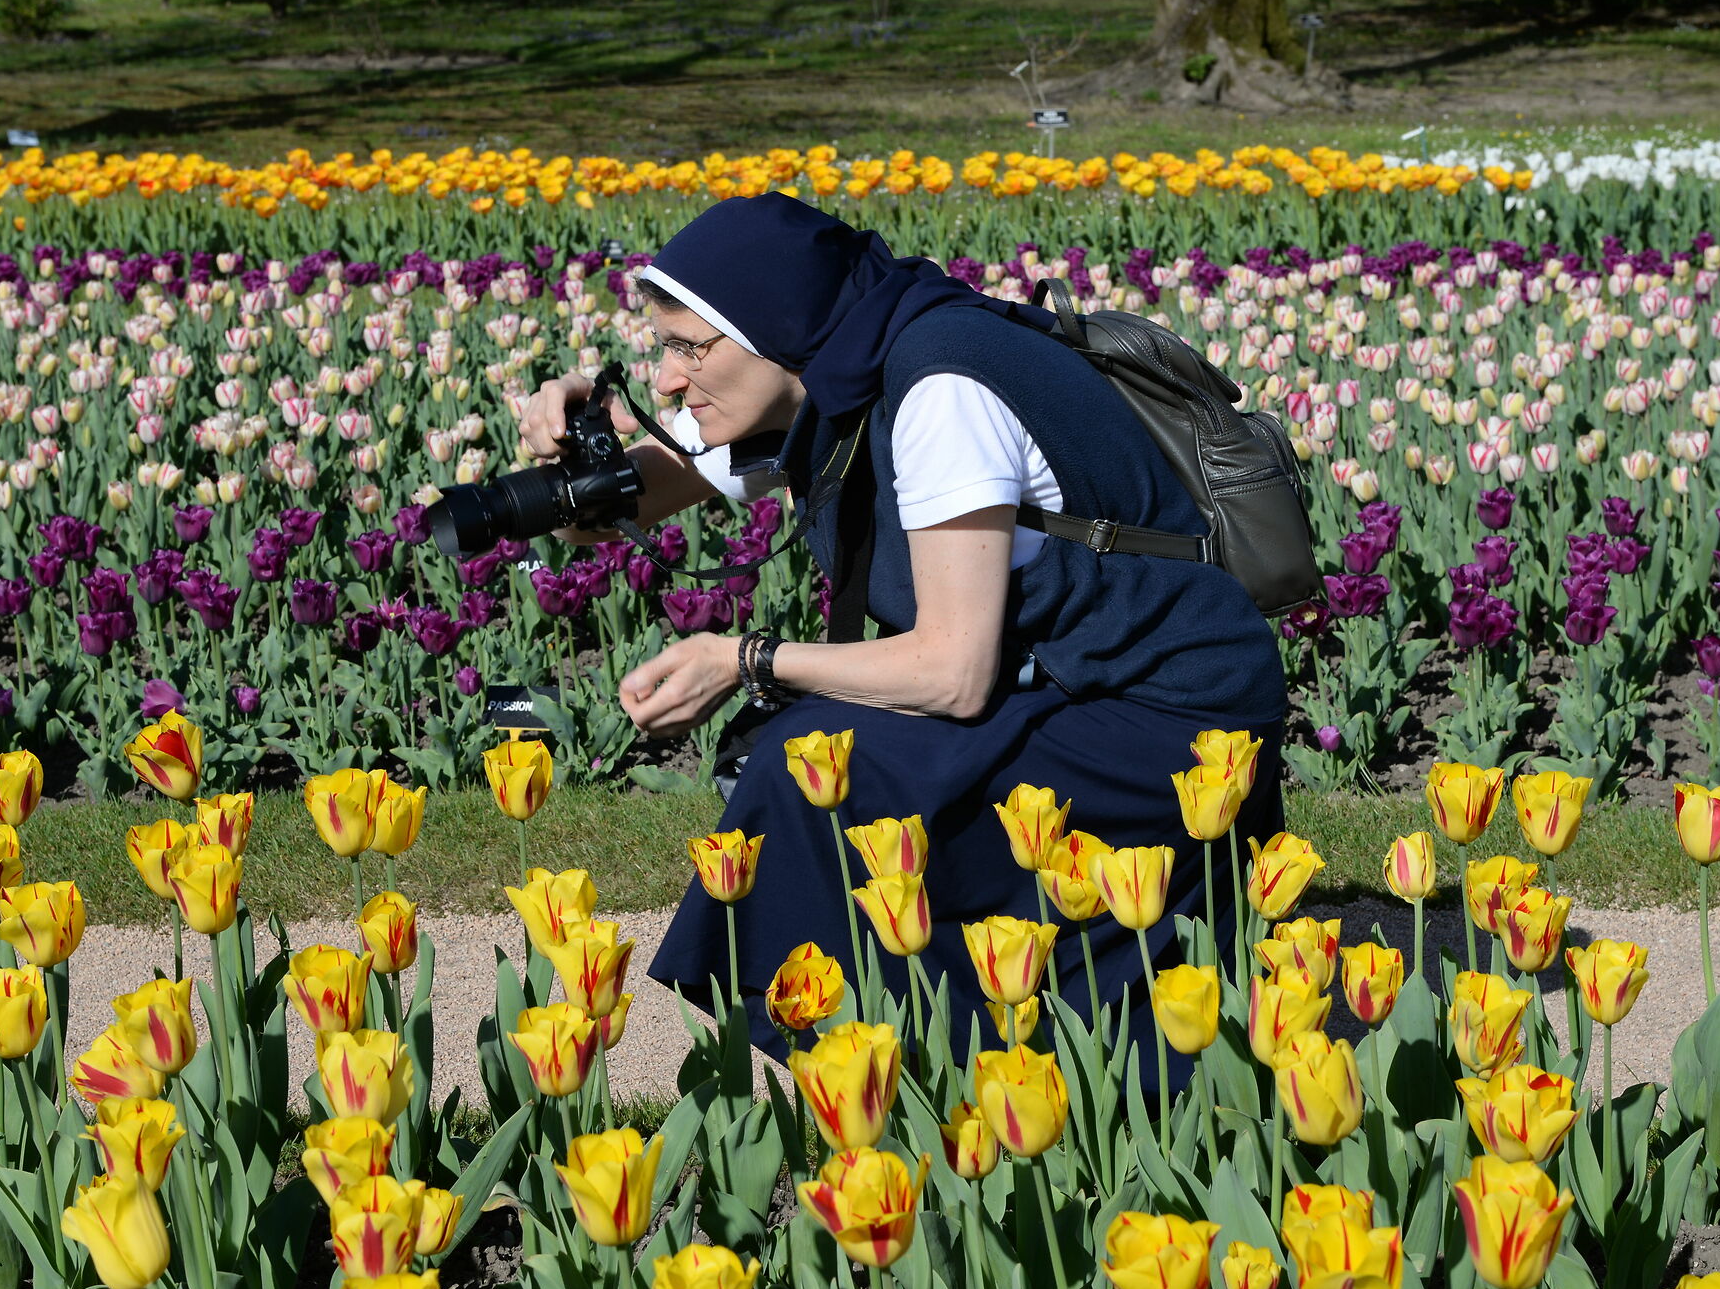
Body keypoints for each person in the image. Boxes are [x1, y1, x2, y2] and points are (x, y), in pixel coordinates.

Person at [516, 193, 1287, 1044]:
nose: (665, 377)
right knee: (814, 758)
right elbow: (653, 492)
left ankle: (917, 1052)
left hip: (1172, 717)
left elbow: (951, 677)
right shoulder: (849, 360)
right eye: (660, 350)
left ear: (779, 328)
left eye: (689, 348)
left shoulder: (938, 391)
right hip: (1088, 676)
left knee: (807, 768)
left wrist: (746, 658)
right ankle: (912, 1049)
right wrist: (572, 463)